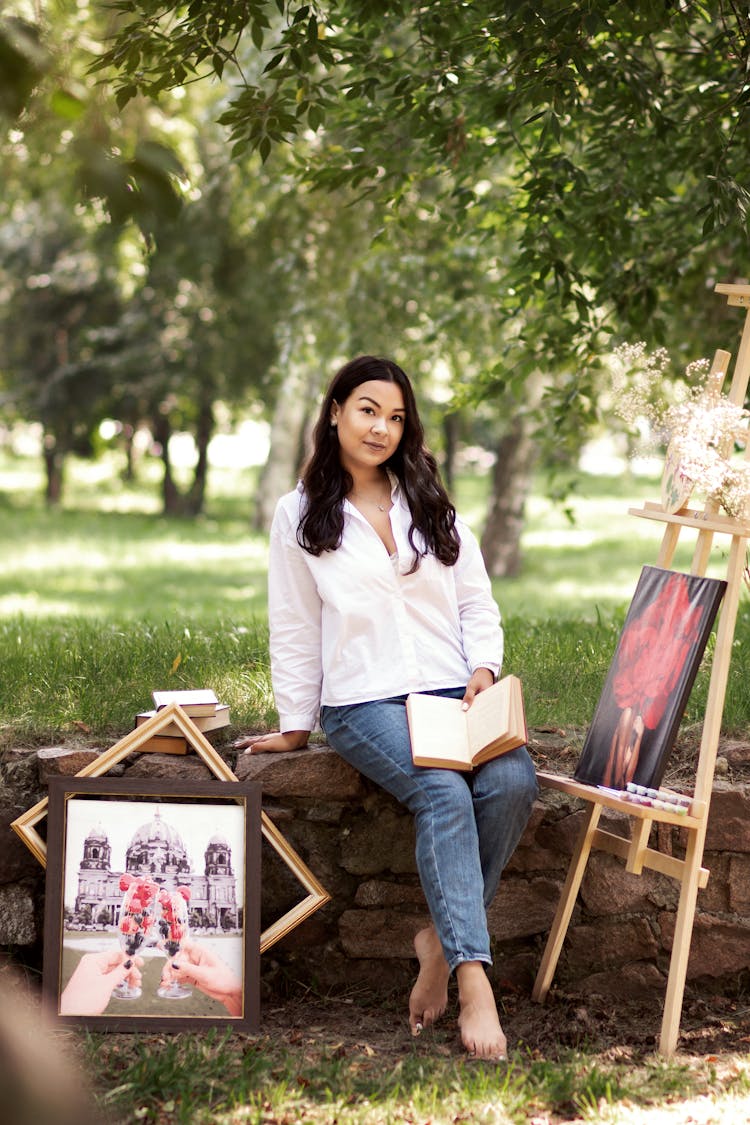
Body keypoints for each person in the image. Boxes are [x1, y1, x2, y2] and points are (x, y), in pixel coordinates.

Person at [236, 355, 538, 1060]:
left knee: (512, 782)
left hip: (448, 690)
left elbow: (474, 601)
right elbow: (294, 621)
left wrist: (483, 669)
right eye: (368, 409)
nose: (381, 426)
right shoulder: (298, 512)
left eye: (396, 416)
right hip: (362, 700)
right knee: (442, 791)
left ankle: (436, 941)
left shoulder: (428, 498)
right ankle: (472, 979)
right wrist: (293, 724)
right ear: (336, 410)